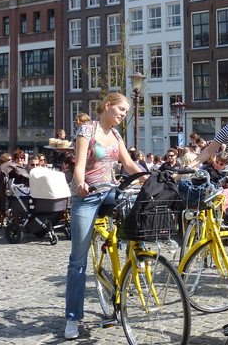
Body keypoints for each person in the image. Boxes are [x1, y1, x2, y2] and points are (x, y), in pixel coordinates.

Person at [64, 93, 147, 340]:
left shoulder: (116, 135)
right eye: (121, 109)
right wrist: (80, 184)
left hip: (110, 192)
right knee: (77, 260)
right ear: (108, 106)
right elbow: (79, 166)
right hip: (87, 195)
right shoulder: (86, 130)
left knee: (134, 208)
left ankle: (135, 257)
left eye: (126, 111)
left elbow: (130, 165)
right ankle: (72, 319)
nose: (123, 115)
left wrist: (151, 178)